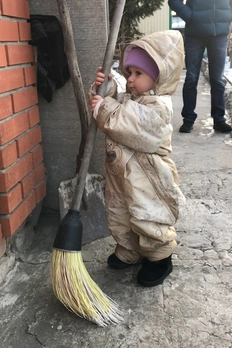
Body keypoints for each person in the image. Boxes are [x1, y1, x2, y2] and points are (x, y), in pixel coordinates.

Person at [89, 30, 185, 287]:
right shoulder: (134, 95)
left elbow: (128, 123)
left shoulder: (159, 107)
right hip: (121, 174)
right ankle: (129, 250)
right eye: (129, 72)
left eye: (138, 74)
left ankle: (158, 256)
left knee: (147, 215)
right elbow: (118, 97)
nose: (130, 79)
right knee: (119, 213)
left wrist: (104, 107)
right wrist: (105, 86)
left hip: (148, 178)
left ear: (159, 77)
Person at [168, 0, 232, 133]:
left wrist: (228, 15)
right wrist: (190, 16)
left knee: (217, 79)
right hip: (195, 34)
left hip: (219, 33)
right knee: (191, 78)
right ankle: (188, 119)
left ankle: (219, 119)